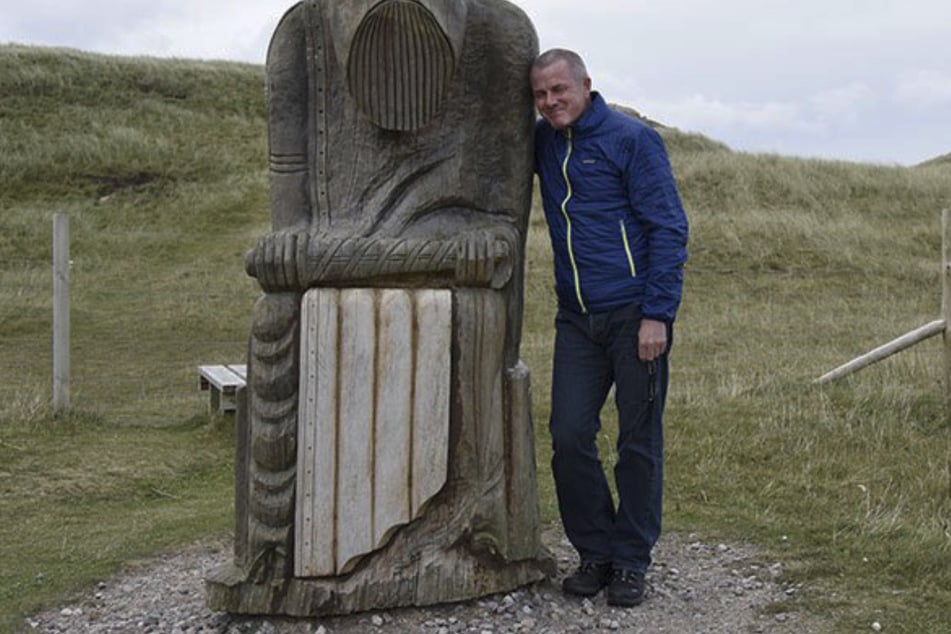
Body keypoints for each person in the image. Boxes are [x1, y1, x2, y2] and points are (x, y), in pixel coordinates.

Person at [530, 48, 688, 607]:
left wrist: (657, 315)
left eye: (559, 91)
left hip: (633, 317)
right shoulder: (544, 141)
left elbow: (668, 228)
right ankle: (594, 551)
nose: (550, 102)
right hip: (576, 318)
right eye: (541, 95)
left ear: (585, 86)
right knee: (569, 436)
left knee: (637, 443)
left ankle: (630, 561)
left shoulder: (632, 140)